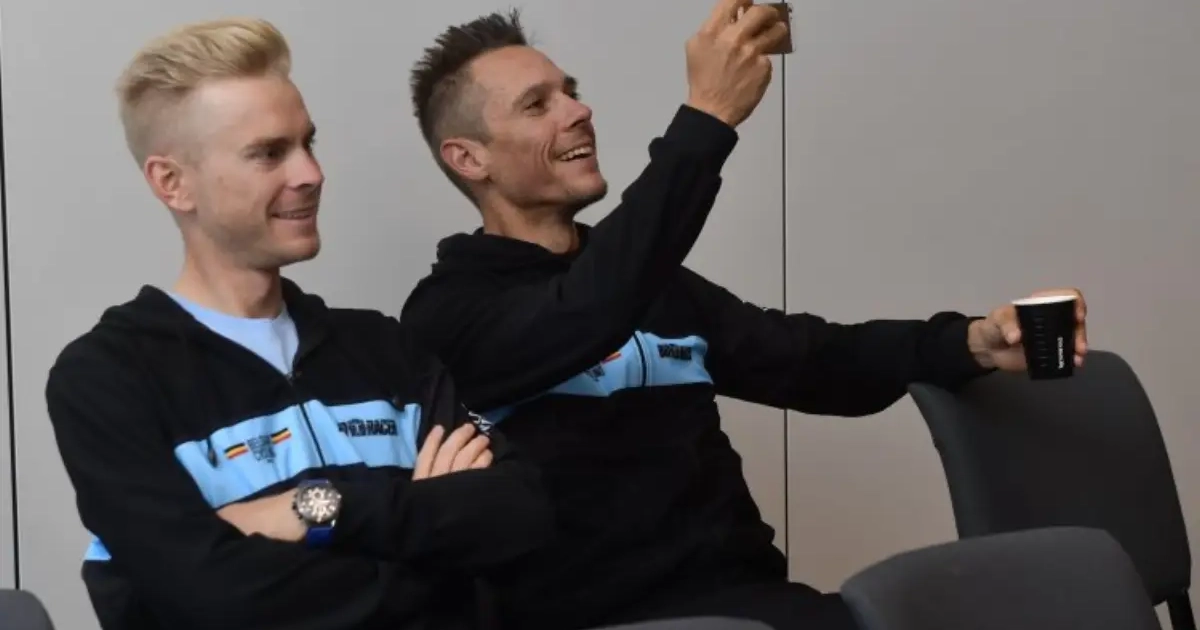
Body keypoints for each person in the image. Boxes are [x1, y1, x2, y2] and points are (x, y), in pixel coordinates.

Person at [399, 3, 1090, 630]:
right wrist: (707, 116)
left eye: (570, 91)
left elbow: (812, 360)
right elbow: (587, 313)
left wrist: (971, 344)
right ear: (470, 158)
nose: (578, 111)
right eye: (537, 105)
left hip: (751, 604)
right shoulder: (449, 315)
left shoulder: (651, 284)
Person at [44, 18, 553, 630]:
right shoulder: (106, 379)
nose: (310, 173)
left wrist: (319, 509)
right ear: (173, 183)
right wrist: (438, 557)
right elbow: (209, 600)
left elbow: (522, 514)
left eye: (308, 143)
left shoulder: (382, 347)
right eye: (269, 153)